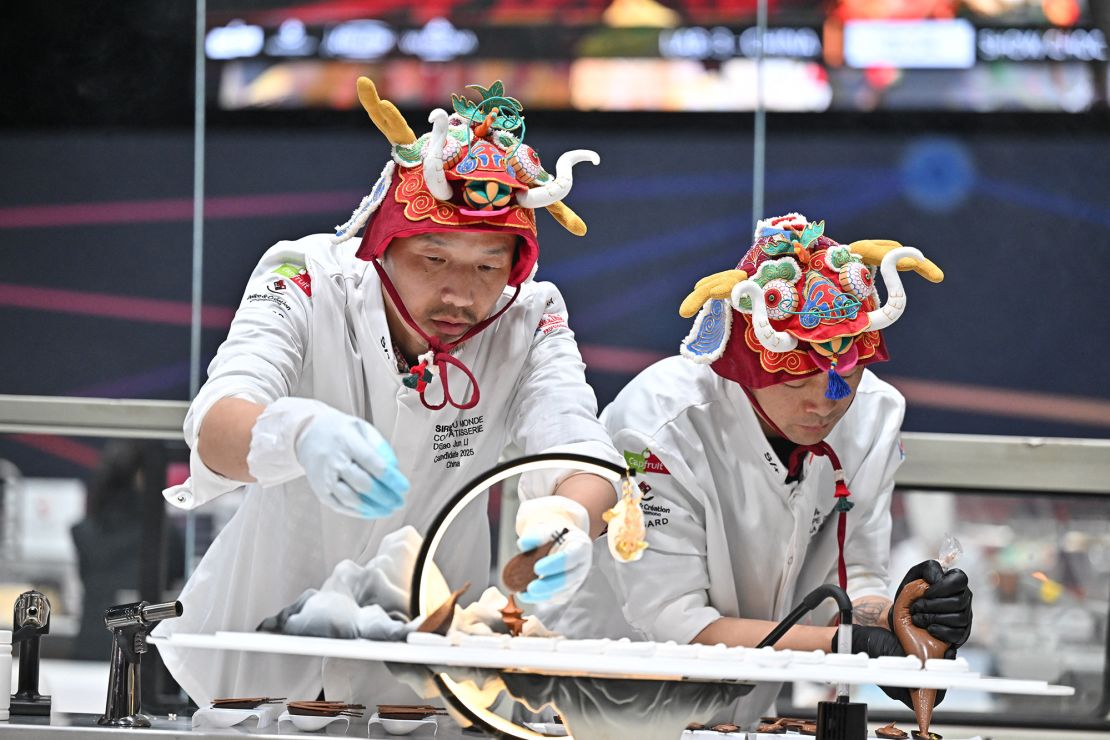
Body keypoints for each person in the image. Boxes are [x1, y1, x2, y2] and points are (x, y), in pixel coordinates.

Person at [154, 78, 621, 706]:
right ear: (383, 245)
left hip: (424, 670)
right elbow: (219, 419)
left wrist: (571, 518)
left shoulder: (528, 317)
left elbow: (575, 442)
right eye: (434, 259)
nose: (461, 294)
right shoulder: (306, 277)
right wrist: (297, 433)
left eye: (488, 266)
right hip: (263, 648)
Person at [560, 213, 973, 727]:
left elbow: (860, 574)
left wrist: (901, 620)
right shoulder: (659, 427)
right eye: (794, 382)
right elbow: (675, 625)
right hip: (603, 704)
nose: (822, 404)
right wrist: (851, 644)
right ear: (742, 369)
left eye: (842, 376)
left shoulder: (874, 416)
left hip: (747, 716)